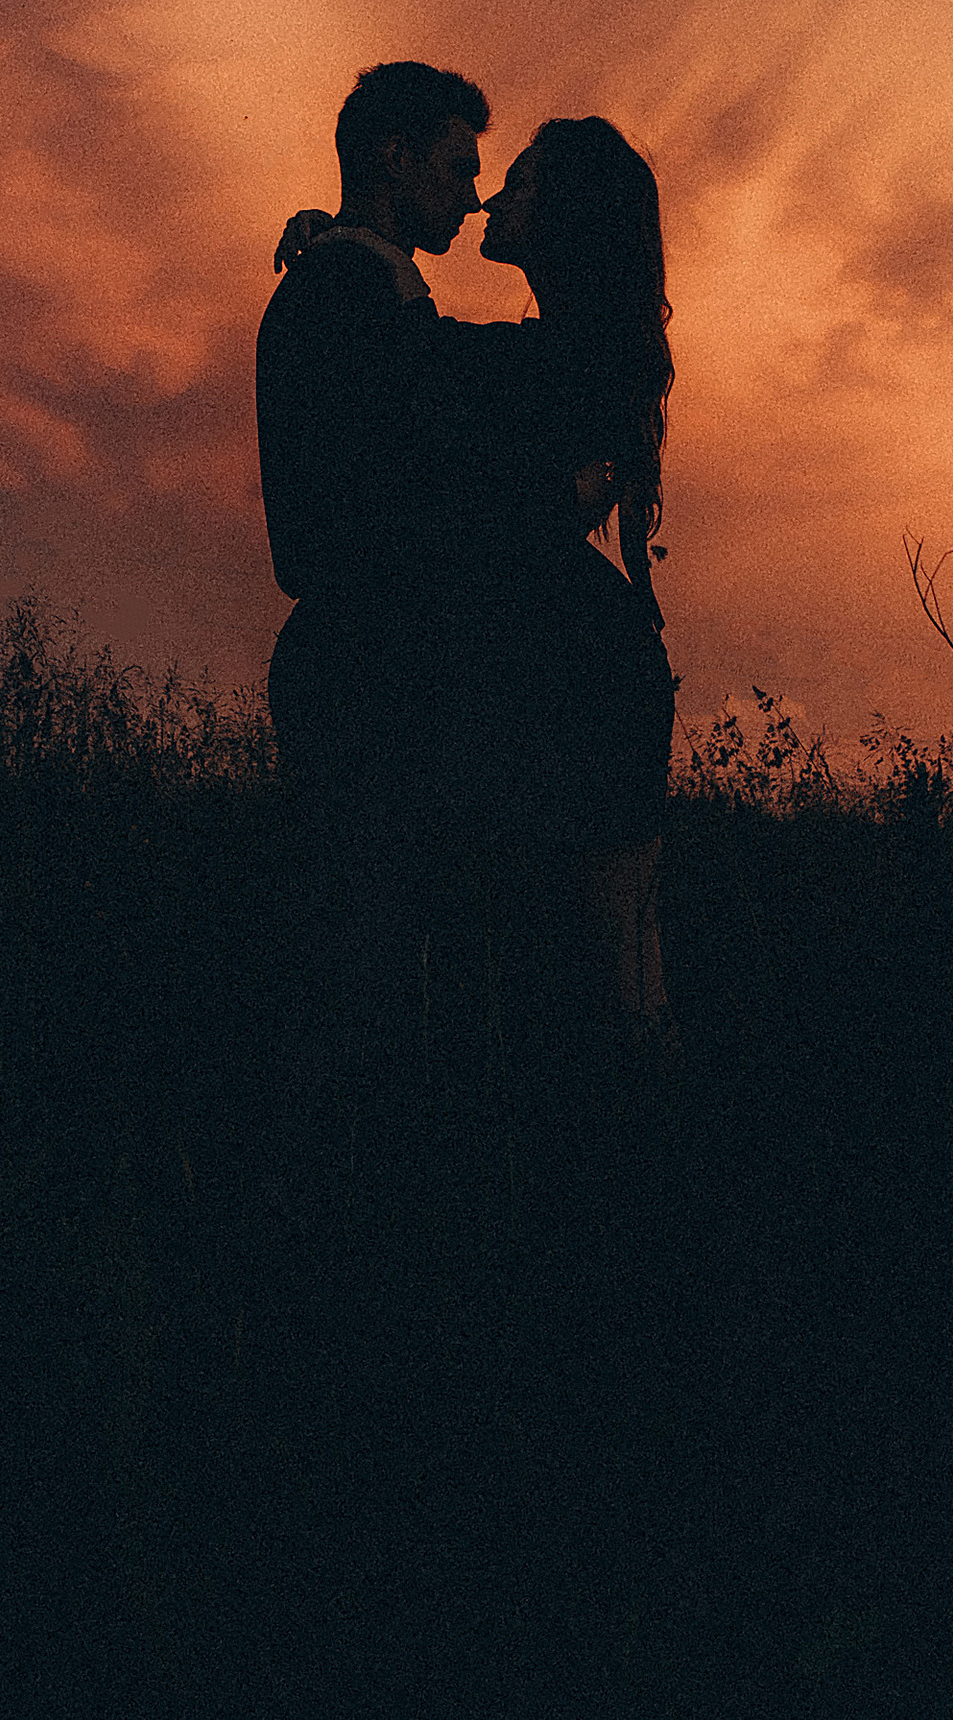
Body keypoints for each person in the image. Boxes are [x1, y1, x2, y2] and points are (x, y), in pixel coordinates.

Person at [273, 113, 679, 1064]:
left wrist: (344, 249)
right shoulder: (551, 349)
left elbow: (430, 385)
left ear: (570, 215)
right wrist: (343, 244)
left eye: (523, 185)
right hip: (555, 670)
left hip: (584, 677)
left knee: (612, 960)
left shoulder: (564, 357)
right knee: (573, 965)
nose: (492, 196)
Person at [255, 60, 490, 1150]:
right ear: (391, 157)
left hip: (363, 663)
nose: (472, 194)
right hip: (365, 667)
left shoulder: (348, 285)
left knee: (369, 958)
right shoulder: (352, 296)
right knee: (364, 972)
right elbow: (417, 470)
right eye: (455, 166)